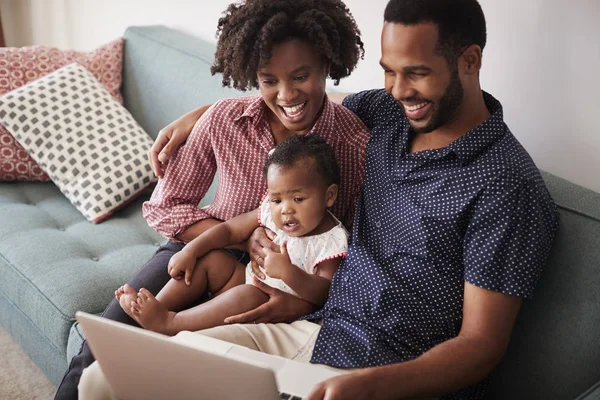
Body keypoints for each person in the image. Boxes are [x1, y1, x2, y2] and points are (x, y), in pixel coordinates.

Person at [78, 0, 560, 399]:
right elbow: (308, 99)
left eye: (415, 73)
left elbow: (481, 345)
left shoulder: (505, 186)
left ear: (470, 61)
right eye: (388, 72)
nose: (397, 90)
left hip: (390, 372)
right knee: (104, 380)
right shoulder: (392, 115)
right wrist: (209, 113)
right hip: (312, 329)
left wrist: (370, 387)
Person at [53, 0, 370, 398]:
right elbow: (166, 205)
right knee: (105, 340)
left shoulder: (354, 144)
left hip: (288, 281)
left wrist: (298, 291)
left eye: (301, 76)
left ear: (327, 64)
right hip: (199, 249)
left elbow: (356, 251)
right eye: (269, 80)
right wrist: (239, 236)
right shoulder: (223, 121)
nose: (286, 94)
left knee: (185, 368)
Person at [116, 135, 348, 335]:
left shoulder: (331, 241)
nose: (285, 209)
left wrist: (289, 273)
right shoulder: (269, 211)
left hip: (272, 304)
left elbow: (324, 293)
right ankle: (153, 310)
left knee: (250, 294)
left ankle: (169, 323)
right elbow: (229, 230)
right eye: (277, 199)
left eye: (298, 199)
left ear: (329, 196)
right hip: (246, 279)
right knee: (212, 260)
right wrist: (190, 251)